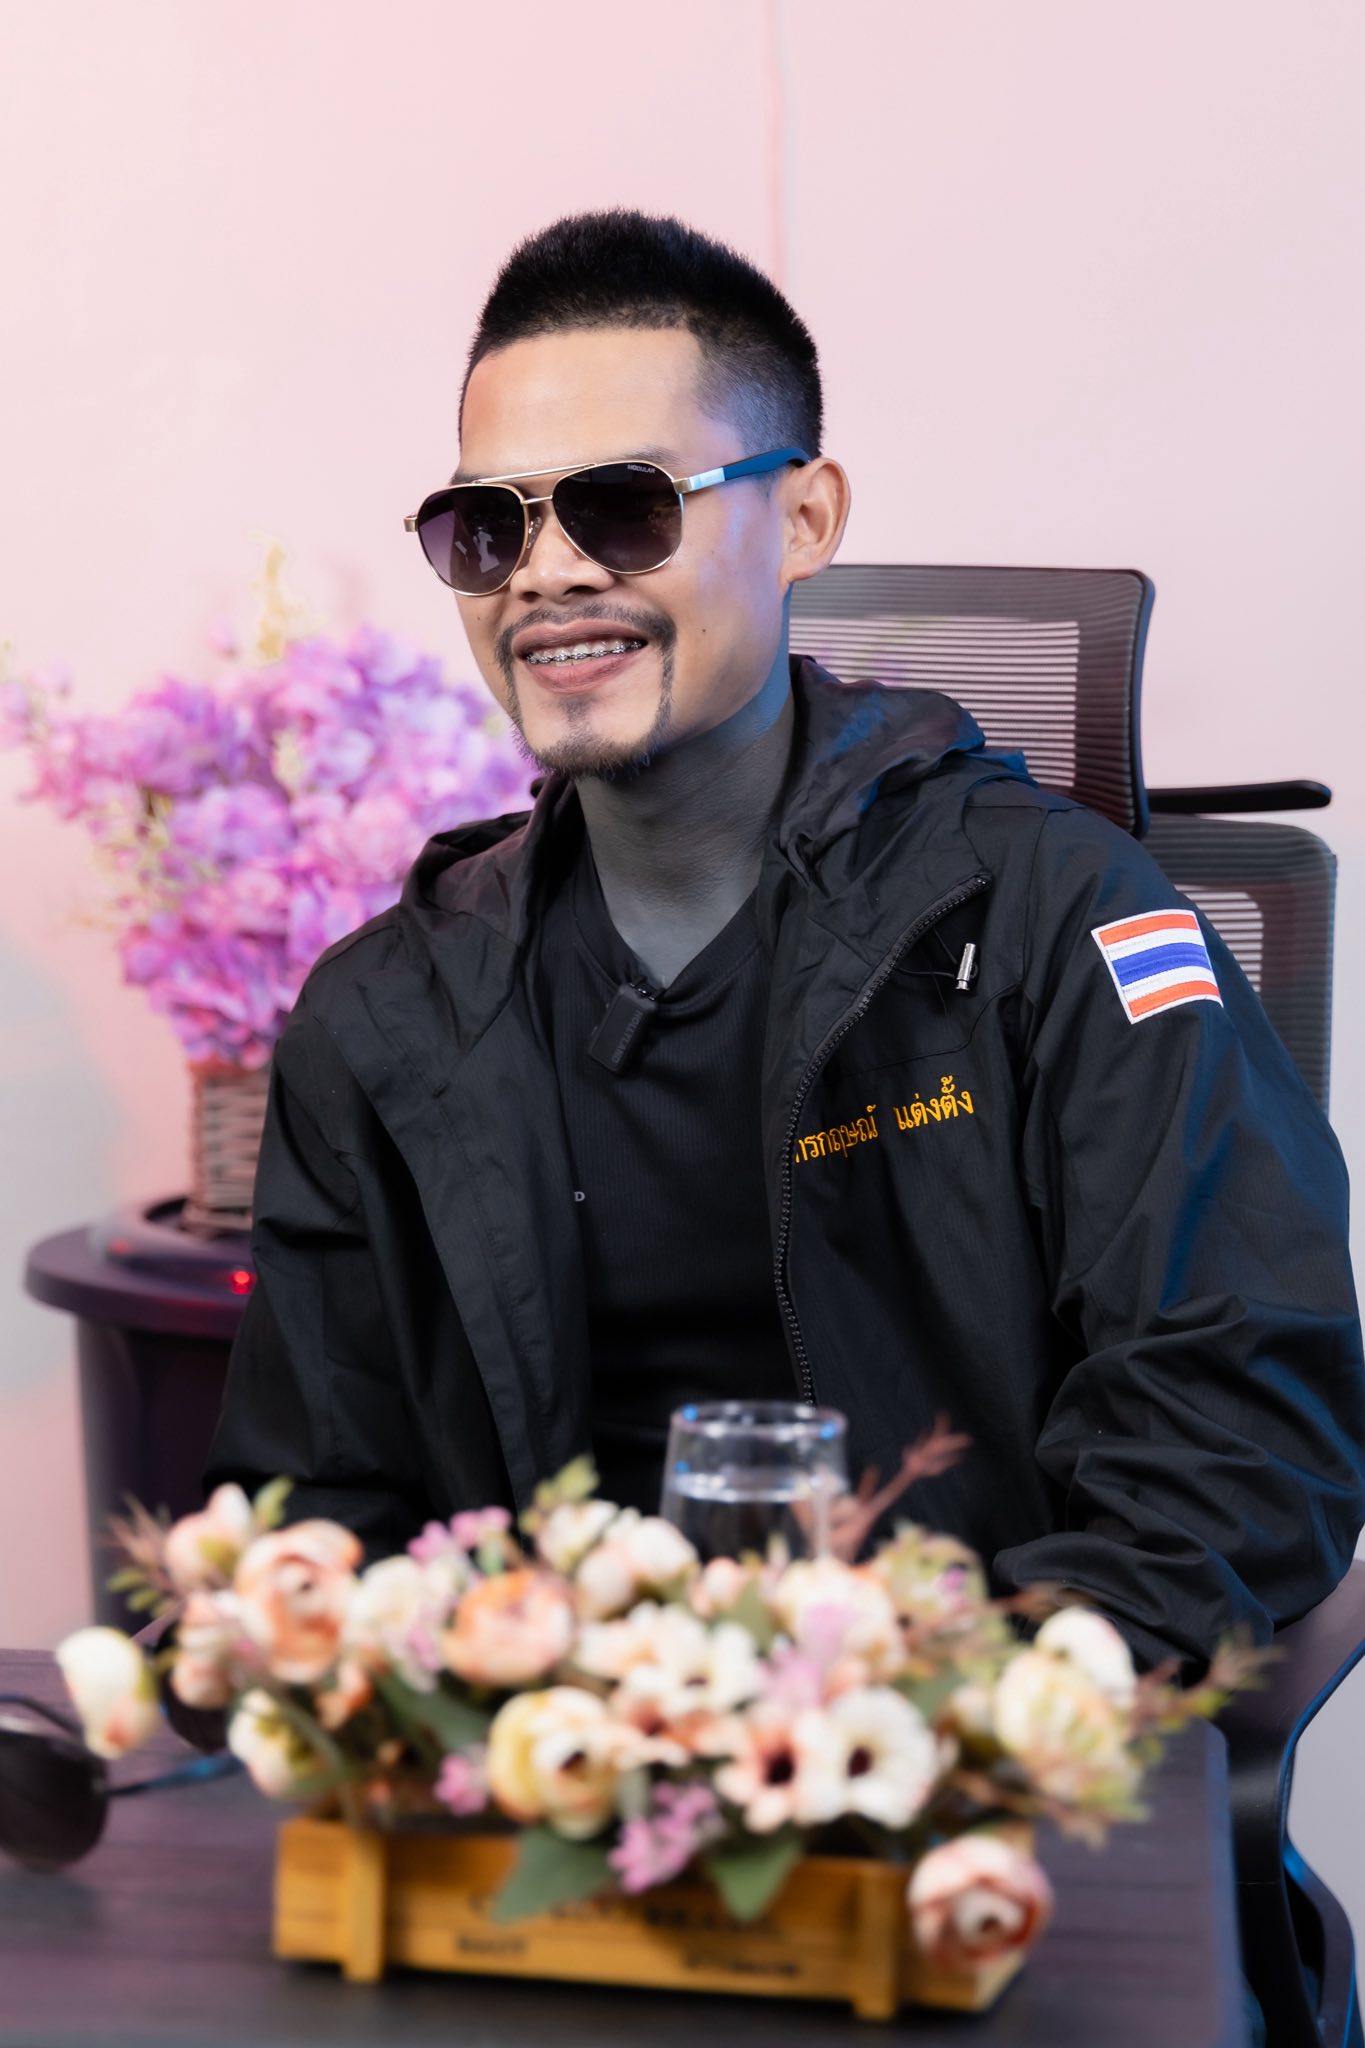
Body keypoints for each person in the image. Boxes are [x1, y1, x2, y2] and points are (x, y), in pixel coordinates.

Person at [203, 209, 1365, 1678]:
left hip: (946, 1755)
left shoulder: (1057, 920)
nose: (545, 575)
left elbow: (1238, 1437)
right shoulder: (385, 1013)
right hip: (535, 1771)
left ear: (805, 519)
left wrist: (950, 1716)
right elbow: (316, 1506)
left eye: (624, 507)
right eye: (490, 527)